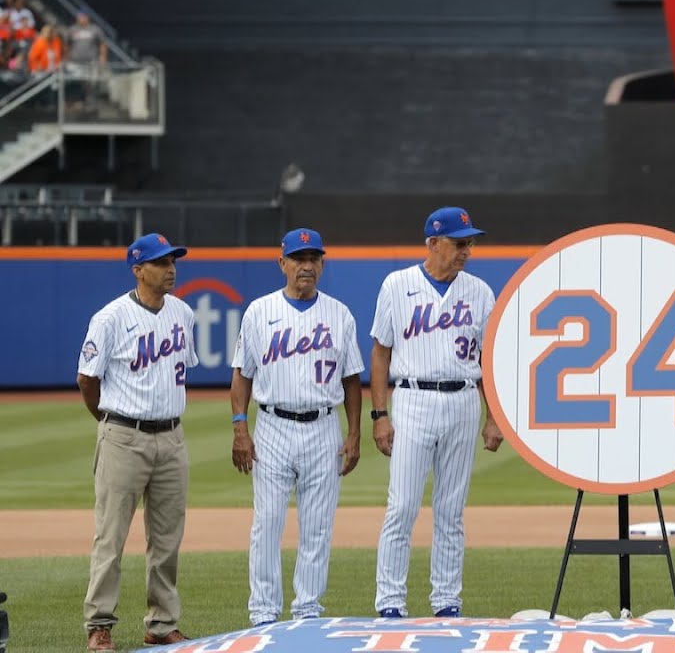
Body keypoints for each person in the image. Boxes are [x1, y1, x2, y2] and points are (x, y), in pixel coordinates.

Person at [371, 206, 504, 618]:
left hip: (463, 399)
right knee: (403, 506)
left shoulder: (480, 291)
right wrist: (380, 414)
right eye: (459, 242)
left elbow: (489, 359)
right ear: (433, 242)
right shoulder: (398, 284)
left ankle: (447, 601)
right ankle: (390, 602)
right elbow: (380, 352)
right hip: (413, 399)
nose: (467, 249)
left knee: (451, 509)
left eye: (470, 242)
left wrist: (493, 415)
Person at [230, 228, 365, 625]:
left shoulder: (339, 313)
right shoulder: (259, 311)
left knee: (318, 527)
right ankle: (263, 612)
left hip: (323, 427)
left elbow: (352, 379)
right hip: (272, 426)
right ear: (283, 263)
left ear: (322, 264)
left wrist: (354, 432)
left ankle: (307, 610)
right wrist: (240, 426)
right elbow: (242, 374)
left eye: (313, 258)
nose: (306, 266)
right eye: (299, 258)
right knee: (267, 523)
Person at [77, 233, 197, 651]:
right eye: (162, 263)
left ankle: (161, 624)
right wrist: (110, 423)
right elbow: (87, 379)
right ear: (138, 269)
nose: (171, 269)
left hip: (171, 437)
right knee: (111, 538)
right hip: (123, 436)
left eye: (173, 261)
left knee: (167, 540)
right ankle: (100, 624)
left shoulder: (182, 313)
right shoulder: (109, 318)